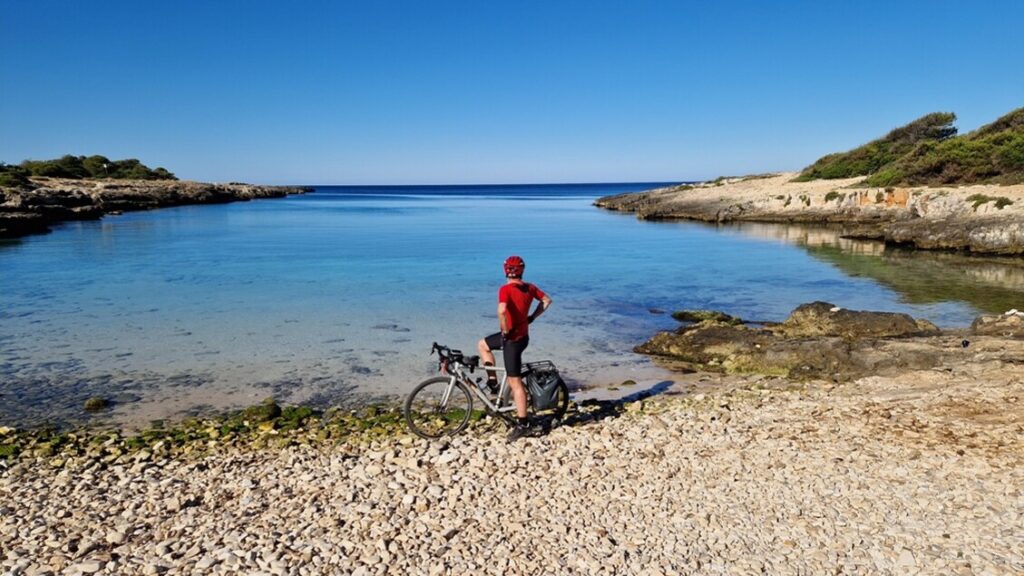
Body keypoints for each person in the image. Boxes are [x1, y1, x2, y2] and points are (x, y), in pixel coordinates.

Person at [478, 255, 552, 442]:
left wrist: (504, 331)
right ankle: (493, 384)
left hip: (513, 340)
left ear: (505, 271)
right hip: (522, 336)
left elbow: (501, 310)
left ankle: (523, 424)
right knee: (483, 345)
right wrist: (532, 317)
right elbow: (546, 301)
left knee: (515, 382)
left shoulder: (505, 289)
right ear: (522, 270)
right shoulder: (529, 288)